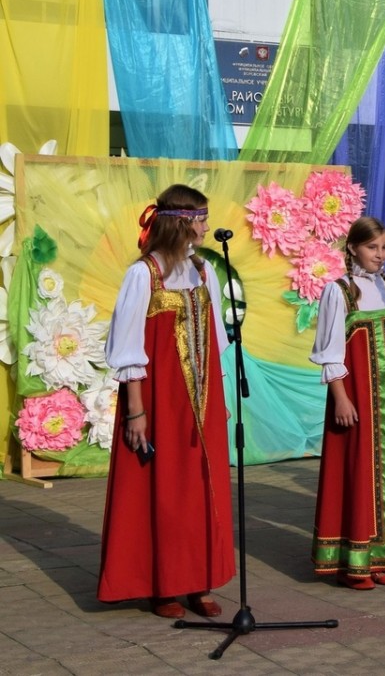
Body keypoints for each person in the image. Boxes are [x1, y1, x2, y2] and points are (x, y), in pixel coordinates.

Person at [98, 184, 234, 619]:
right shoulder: (144, 275)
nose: (207, 226)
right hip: (160, 401)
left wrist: (220, 398)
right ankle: (164, 585)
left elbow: (214, 343)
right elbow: (128, 347)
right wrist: (136, 411)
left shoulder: (203, 271)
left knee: (201, 487)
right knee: (167, 490)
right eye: (201, 218)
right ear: (181, 222)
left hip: (202, 398)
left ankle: (199, 580)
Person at [310, 217, 385, 588]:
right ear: (353, 248)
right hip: (357, 399)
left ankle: (384, 554)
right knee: (358, 473)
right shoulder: (340, 291)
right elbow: (330, 352)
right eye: (371, 247)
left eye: (383, 248)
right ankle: (355, 560)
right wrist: (340, 398)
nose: (379, 255)